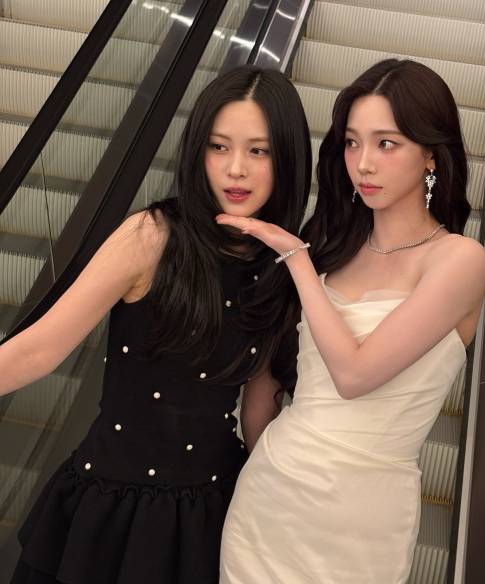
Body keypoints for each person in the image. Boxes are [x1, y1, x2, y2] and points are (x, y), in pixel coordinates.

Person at [0, 65, 312, 584]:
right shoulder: (151, 236)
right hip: (109, 504)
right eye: (218, 147)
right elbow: (38, 350)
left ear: (288, 158)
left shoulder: (280, 265)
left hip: (210, 510)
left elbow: (259, 412)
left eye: (258, 151)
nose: (235, 169)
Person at [218, 59, 485, 583]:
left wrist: (296, 259)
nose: (363, 163)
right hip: (270, 496)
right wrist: (265, 461)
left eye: (386, 143)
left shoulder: (460, 260)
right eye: (351, 142)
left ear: (431, 154)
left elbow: (355, 374)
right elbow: (267, 378)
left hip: (363, 516)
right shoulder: (331, 247)